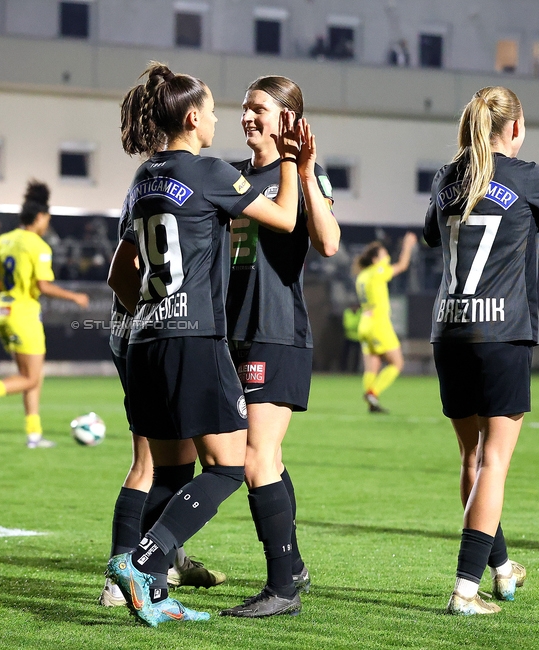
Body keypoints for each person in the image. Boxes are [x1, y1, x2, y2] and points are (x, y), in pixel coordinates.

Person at [105, 61, 302, 627]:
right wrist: (290, 158)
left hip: (145, 340)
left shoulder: (141, 180)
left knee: (168, 473)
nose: (220, 119)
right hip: (194, 339)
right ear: (192, 118)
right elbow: (286, 218)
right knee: (229, 464)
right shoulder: (209, 171)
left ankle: (157, 596)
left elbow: (120, 277)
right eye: (214, 110)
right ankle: (143, 563)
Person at [422, 86, 539, 615]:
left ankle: (501, 568)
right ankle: (464, 589)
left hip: (449, 331)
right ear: (516, 130)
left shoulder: (445, 177)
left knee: (472, 459)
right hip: (501, 333)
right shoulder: (525, 175)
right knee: (496, 461)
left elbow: (432, 237)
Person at [221, 75, 340, 618]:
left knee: (254, 458)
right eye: (245, 109)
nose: (248, 117)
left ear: (288, 118)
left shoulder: (300, 174)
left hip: (276, 330)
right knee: (254, 456)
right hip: (234, 331)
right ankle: (292, 568)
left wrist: (307, 171)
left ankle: (282, 588)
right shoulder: (232, 175)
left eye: (259, 109)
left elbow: (329, 242)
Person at [99, 204, 227, 609]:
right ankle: (125, 577)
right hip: (151, 332)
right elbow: (126, 270)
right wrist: (154, 317)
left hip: (134, 332)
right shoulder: (162, 191)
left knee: (171, 465)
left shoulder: (145, 187)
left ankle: (170, 558)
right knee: (151, 465)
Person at [0, 181, 89, 448]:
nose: (47, 223)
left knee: (31, 375)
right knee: (31, 377)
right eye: (46, 218)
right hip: (24, 314)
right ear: (39, 218)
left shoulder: (4, 239)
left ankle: (34, 435)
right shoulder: (38, 246)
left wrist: (5, 287)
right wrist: (74, 296)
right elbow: (42, 286)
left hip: (2, 311)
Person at [354, 233, 417, 413]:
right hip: (378, 323)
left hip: (364, 323)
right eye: (384, 255)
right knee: (397, 363)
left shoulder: (362, 276)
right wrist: (408, 245)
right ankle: (373, 392)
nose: (387, 258)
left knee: (372, 367)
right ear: (375, 259)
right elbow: (403, 265)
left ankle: (371, 403)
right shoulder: (377, 271)